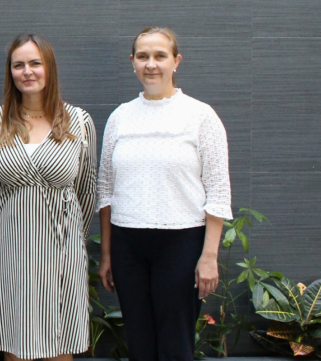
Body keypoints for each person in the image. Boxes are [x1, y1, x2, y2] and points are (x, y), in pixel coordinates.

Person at [96, 27, 231, 361]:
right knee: (139, 343)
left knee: (175, 344)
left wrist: (209, 256)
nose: (151, 64)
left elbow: (218, 191)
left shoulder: (201, 116)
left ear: (176, 61)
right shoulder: (120, 117)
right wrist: (108, 254)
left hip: (181, 244)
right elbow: (106, 190)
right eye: (143, 56)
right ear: (132, 61)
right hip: (128, 246)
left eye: (160, 56)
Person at [0, 34, 96, 360]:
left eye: (35, 63)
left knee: (60, 341)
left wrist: (71, 235)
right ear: (10, 72)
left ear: (49, 67)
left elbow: (86, 189)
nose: (27, 71)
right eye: (18, 65)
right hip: (11, 249)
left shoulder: (78, 121)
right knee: (15, 339)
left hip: (62, 249)